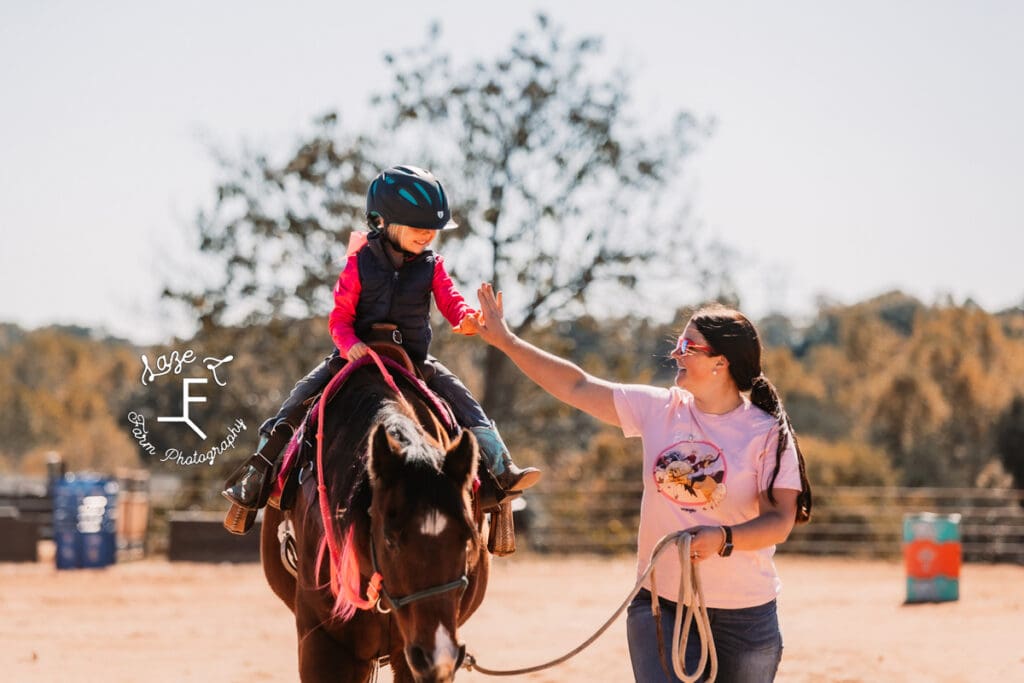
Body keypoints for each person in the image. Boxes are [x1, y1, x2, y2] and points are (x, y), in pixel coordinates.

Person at [466, 284, 811, 682]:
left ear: (721, 362)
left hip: (746, 619)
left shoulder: (767, 433)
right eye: (678, 342)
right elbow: (577, 385)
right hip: (660, 608)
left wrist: (722, 539)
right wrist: (507, 341)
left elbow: (780, 520)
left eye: (688, 346)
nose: (675, 352)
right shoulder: (659, 409)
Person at [221, 166, 541, 534]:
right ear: (384, 222)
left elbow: (452, 302)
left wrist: (467, 319)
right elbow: (339, 318)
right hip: (355, 356)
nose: (428, 234)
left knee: (466, 404)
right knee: (298, 401)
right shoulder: (359, 263)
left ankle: (502, 470)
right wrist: (351, 344)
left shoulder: (432, 266)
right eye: (418, 225)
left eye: (432, 228)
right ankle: (257, 473)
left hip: (414, 362)